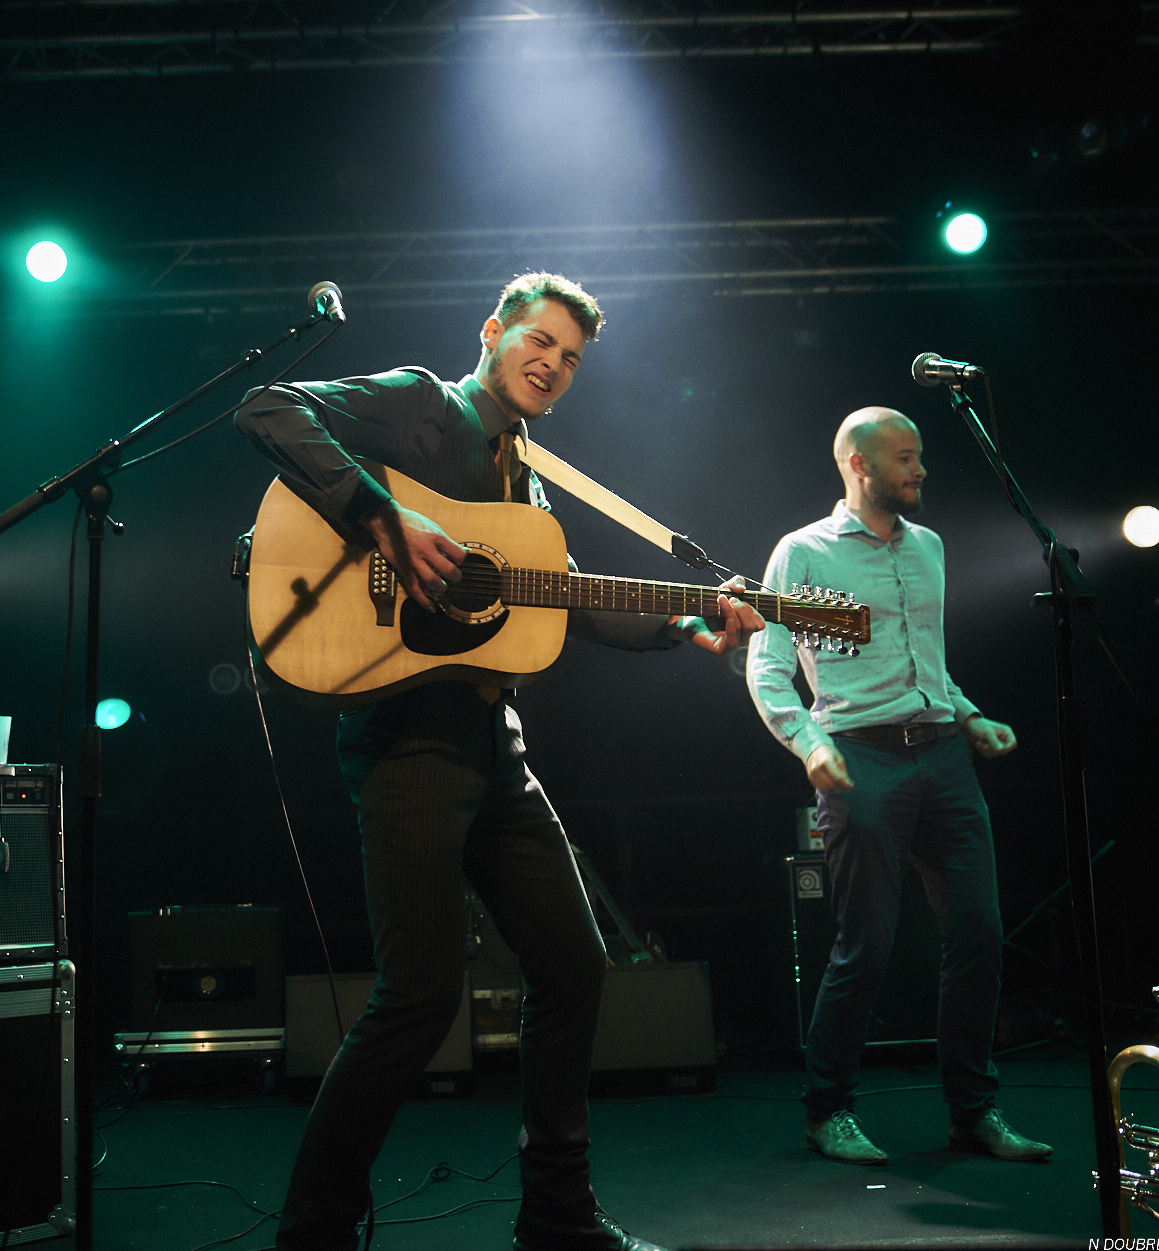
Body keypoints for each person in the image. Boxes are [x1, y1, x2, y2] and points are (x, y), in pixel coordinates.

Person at [235, 271, 765, 1251]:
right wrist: (382, 515)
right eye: (539, 341)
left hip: (495, 747)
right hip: (406, 743)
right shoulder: (420, 406)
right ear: (492, 332)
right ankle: (314, 1233)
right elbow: (267, 407)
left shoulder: (530, 477)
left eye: (571, 358)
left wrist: (690, 620)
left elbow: (568, 598)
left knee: (574, 964)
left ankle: (558, 1217)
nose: (553, 365)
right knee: (418, 998)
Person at [745, 406, 1051, 1166]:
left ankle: (972, 1110)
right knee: (867, 948)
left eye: (919, 456)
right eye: (906, 457)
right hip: (861, 759)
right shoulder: (803, 551)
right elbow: (768, 666)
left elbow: (927, 662)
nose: (921, 470)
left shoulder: (929, 546)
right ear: (859, 463)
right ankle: (828, 1110)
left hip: (943, 754)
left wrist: (969, 716)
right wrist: (809, 744)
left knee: (979, 934)